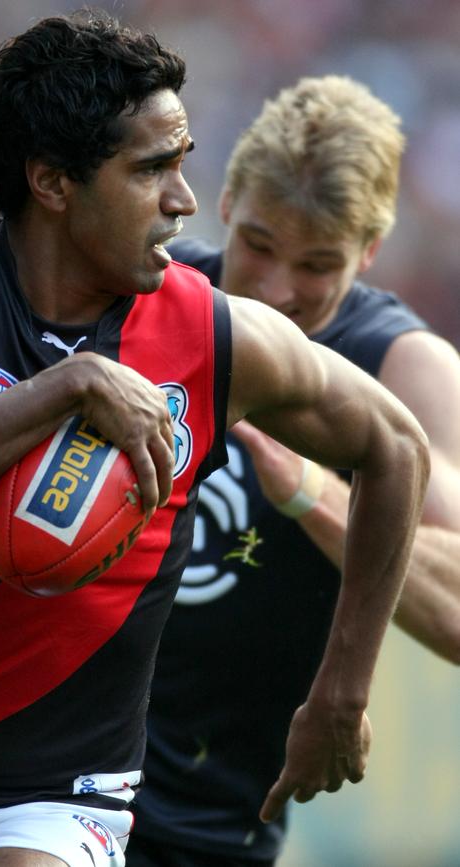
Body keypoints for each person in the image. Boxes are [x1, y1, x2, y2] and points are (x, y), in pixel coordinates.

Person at [0, 12, 429, 865]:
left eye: (181, 165)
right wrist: (68, 386)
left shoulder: (217, 336)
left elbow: (396, 445)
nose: (181, 199)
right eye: (152, 170)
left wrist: (341, 691)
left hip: (50, 804)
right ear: (54, 183)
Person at [126, 75, 460, 867]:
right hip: (54, 783)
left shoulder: (401, 368)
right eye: (261, 245)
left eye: (318, 264)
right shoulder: (154, 295)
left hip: (211, 827)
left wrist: (314, 490)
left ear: (369, 251)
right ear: (229, 201)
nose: (277, 291)